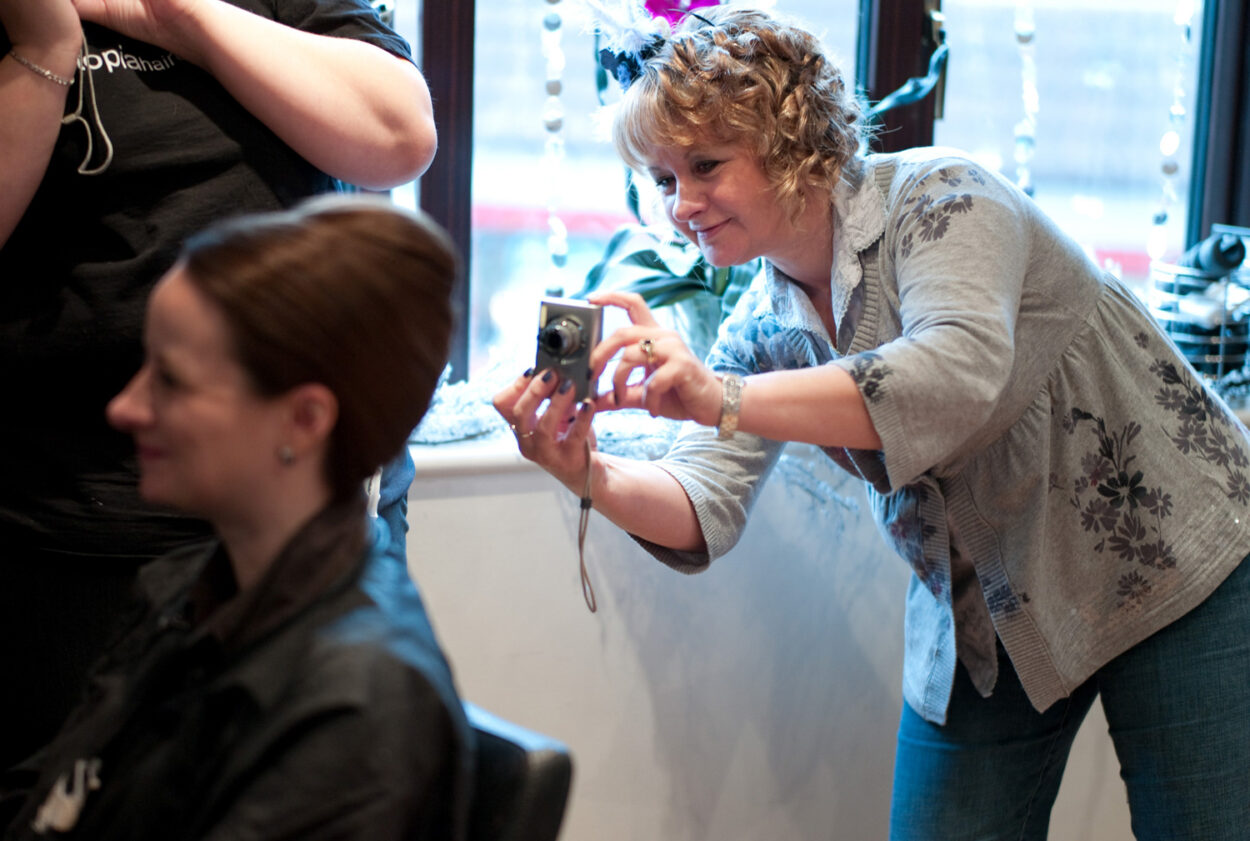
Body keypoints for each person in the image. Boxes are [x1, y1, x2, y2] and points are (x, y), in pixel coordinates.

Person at [494, 7, 1250, 839]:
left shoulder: (945, 199)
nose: (681, 205)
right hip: (988, 614)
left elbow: (952, 372)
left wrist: (722, 398)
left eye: (706, 165)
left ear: (791, 140)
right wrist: (585, 472)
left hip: (1178, 567)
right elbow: (700, 496)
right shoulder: (764, 324)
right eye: (666, 180)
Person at [0, 0, 435, 766]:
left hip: (296, 505)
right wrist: (45, 53)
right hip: (69, 522)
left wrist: (180, 17)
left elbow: (398, 135)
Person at [0, 196, 473, 841]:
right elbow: (58, 795)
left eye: (170, 380)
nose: (126, 408)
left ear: (304, 421)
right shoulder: (182, 590)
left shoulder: (357, 710)